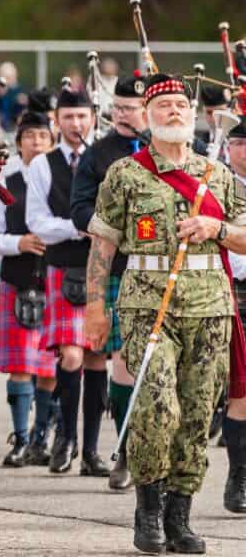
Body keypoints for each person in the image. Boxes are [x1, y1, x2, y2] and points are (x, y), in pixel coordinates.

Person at [86, 73, 246, 554]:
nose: (174, 111)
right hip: (147, 305)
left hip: (211, 306)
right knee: (157, 408)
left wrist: (215, 227)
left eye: (181, 104)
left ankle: (180, 517)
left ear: (193, 114)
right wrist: (95, 307)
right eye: (164, 106)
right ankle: (148, 511)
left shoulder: (216, 174)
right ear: (148, 117)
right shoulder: (126, 173)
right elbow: (102, 243)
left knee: (197, 416)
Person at [69, 74, 148, 491]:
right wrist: (116, 228)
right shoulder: (98, 156)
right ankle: (125, 449)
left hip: (162, 272)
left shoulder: (164, 150)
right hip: (118, 268)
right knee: (123, 362)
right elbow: (79, 209)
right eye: (117, 108)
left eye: (130, 108)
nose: (122, 115)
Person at [25, 86, 109, 477]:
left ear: (93, 117)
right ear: (57, 121)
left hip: (103, 267)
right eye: (68, 117)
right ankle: (66, 438)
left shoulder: (108, 157)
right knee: (71, 355)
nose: (76, 124)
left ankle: (91, 449)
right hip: (63, 266)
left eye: (82, 116)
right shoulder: (44, 164)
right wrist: (80, 229)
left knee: (95, 356)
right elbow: (36, 222)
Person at [0, 111, 55, 467]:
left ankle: (42, 439)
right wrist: (19, 244)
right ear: (20, 142)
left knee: (50, 367)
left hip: (57, 280)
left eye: (43, 136)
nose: (37, 142)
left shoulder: (62, 176)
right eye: (30, 136)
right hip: (18, 277)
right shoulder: (5, 181)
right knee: (21, 365)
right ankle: (21, 438)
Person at [223, 120, 246, 515]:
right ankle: (239, 477)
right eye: (240, 143)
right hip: (235, 288)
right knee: (241, 389)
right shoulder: (216, 183)